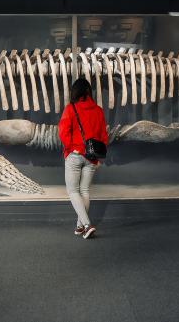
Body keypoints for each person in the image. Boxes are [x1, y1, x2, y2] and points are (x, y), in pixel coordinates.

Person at [58, 78, 108, 239]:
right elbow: (103, 136)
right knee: (84, 191)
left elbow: (63, 132)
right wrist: (99, 157)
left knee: (73, 191)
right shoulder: (99, 110)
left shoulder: (70, 109)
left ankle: (87, 225)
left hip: (75, 155)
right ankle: (80, 226)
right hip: (92, 157)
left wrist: (70, 148)